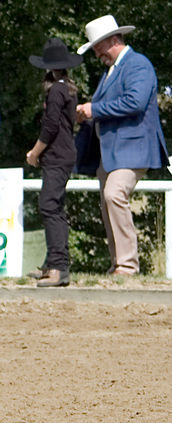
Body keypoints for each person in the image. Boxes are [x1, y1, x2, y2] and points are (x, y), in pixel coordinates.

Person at [75, 15, 168, 277]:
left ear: (113, 40)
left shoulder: (138, 65)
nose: (97, 54)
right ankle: (117, 265)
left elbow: (134, 103)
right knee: (107, 204)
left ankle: (127, 265)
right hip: (112, 152)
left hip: (133, 149)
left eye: (98, 47)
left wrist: (94, 109)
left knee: (113, 195)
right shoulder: (112, 70)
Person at [25, 39, 82, 287]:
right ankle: (53, 264)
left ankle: (58, 267)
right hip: (63, 155)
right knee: (54, 206)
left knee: (49, 207)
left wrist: (35, 152)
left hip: (57, 156)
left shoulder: (56, 91)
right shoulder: (67, 89)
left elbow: (50, 127)